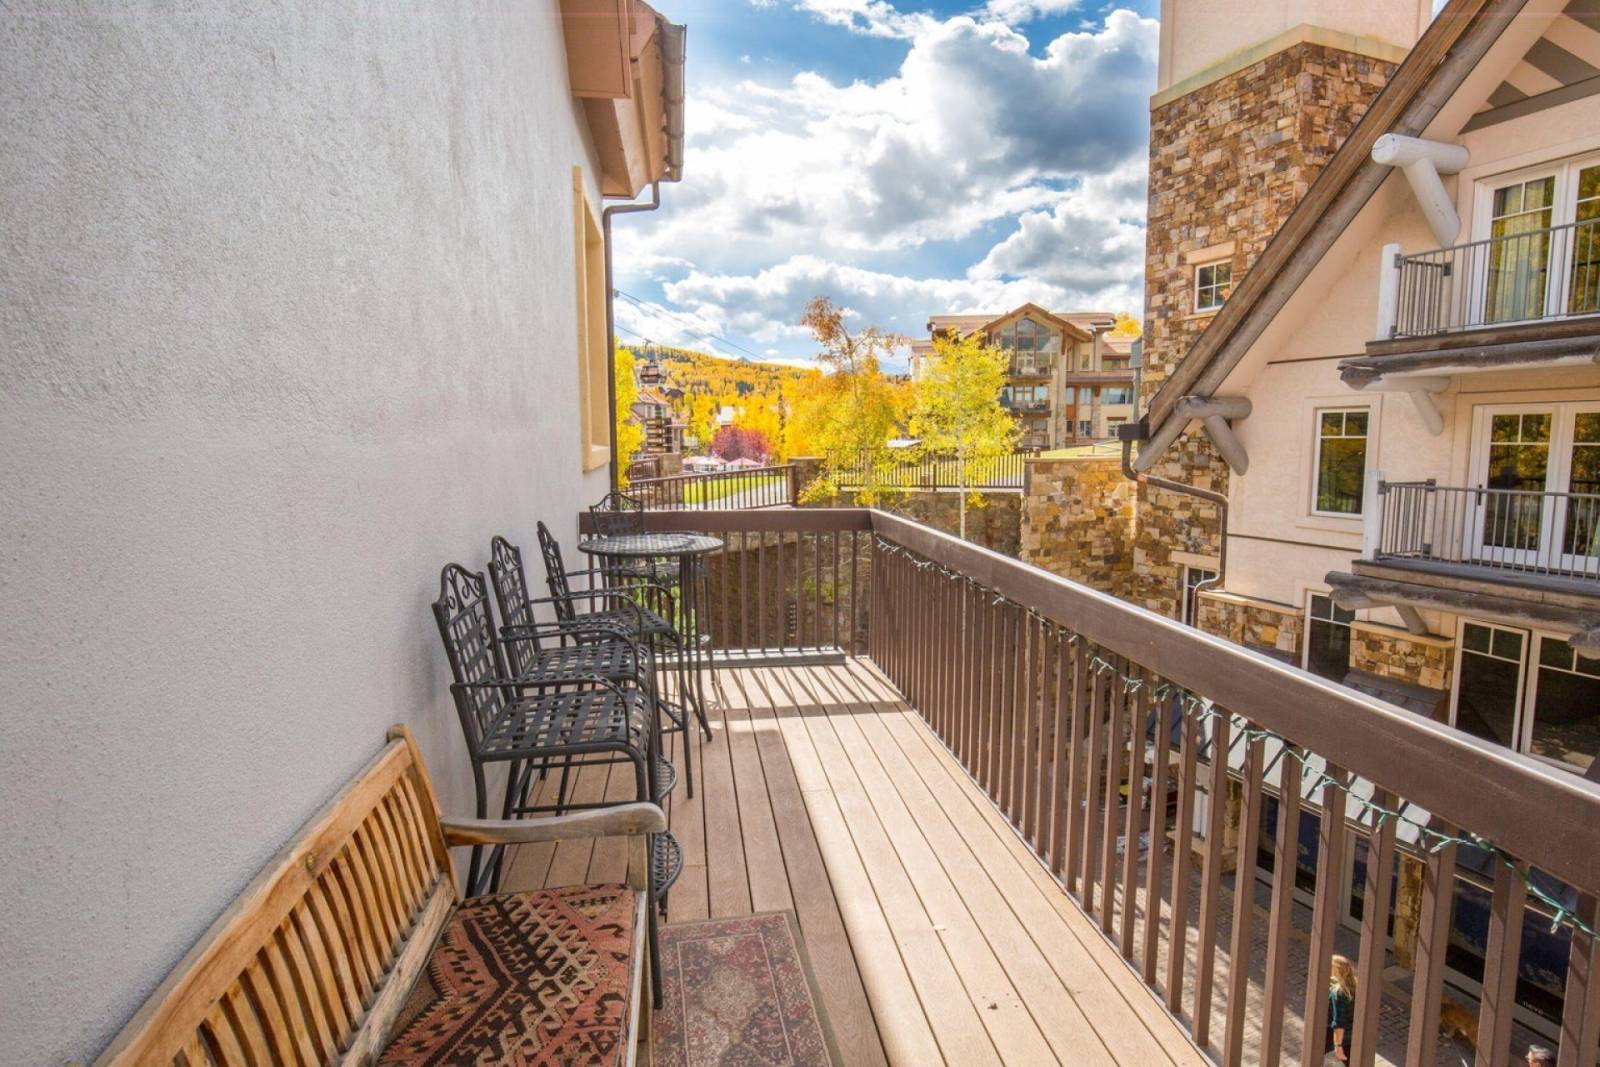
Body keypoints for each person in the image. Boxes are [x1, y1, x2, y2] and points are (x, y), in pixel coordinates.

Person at [1326, 954, 1356, 1063]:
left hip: (1342, 1036)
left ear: (1336, 970)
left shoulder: (1338, 993)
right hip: (1353, 1033)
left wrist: (1338, 1046)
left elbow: (1339, 1022)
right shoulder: (1353, 985)